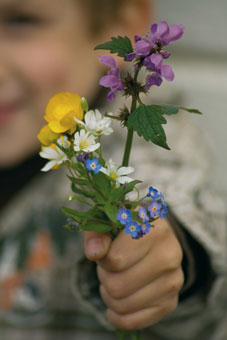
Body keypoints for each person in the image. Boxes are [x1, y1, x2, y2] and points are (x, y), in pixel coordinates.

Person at [0, 0, 226, 339]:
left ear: (122, 24)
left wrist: (173, 254)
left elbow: (167, 185)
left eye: (21, 21)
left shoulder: (139, 136)